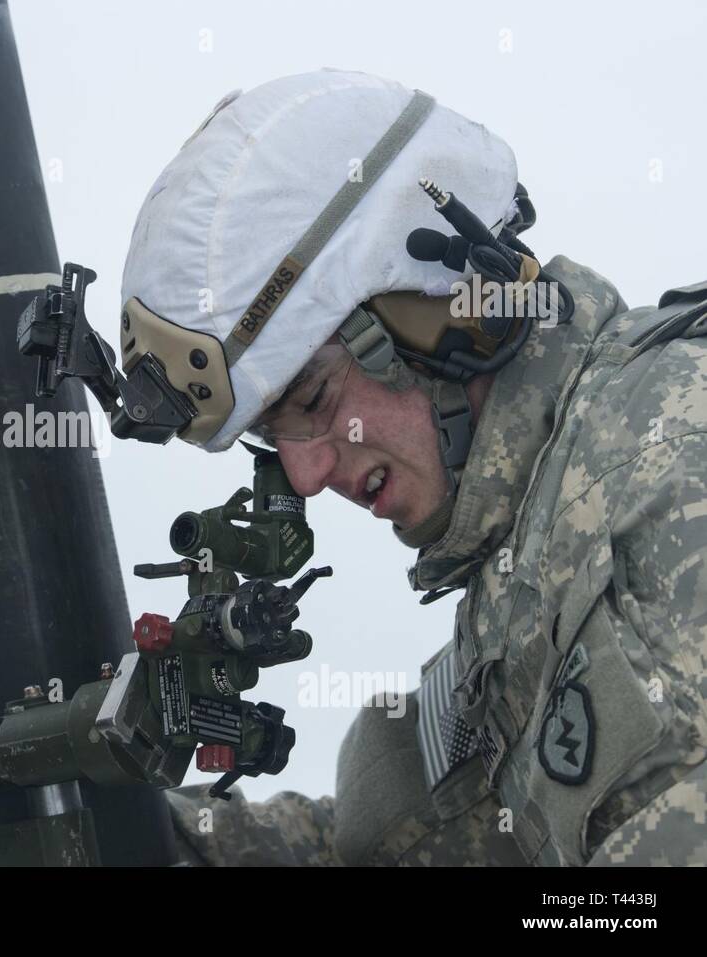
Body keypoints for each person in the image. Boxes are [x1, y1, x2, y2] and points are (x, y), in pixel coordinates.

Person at [115, 70, 707, 865]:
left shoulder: (667, 464)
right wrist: (153, 839)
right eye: (272, 438)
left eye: (316, 397)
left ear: (438, 310)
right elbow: (412, 841)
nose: (305, 474)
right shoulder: (532, 565)